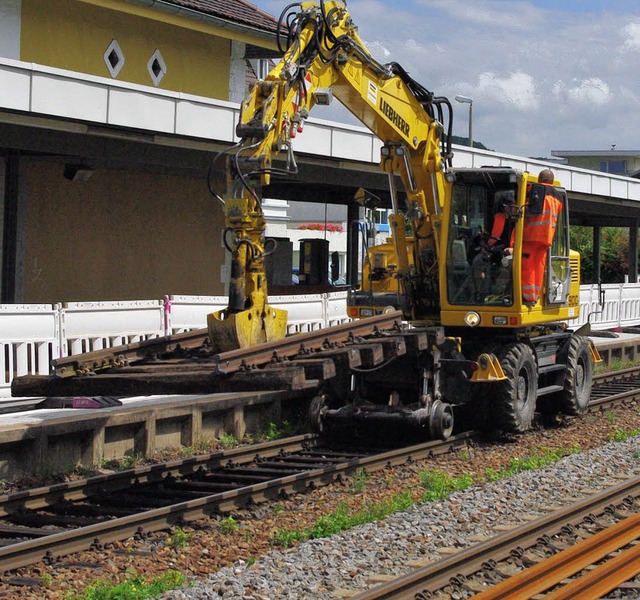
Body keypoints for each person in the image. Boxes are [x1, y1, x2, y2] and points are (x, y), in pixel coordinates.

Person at [520, 169, 563, 305]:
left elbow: (526, 207)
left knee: (527, 267)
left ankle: (528, 297)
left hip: (532, 234)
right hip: (546, 238)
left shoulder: (536, 190)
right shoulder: (559, 197)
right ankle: (534, 296)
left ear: (540, 179)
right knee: (539, 267)